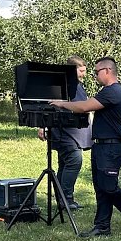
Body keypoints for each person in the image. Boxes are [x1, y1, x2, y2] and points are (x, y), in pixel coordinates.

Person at [50, 57, 121, 237]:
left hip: (112, 146)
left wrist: (61, 104)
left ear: (107, 71)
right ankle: (102, 226)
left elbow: (84, 107)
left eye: (97, 72)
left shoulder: (113, 91)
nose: (94, 75)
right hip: (100, 145)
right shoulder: (106, 91)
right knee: (100, 187)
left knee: (108, 186)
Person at [37, 56, 91, 210]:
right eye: (81, 71)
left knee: (64, 164)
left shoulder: (76, 85)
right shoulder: (65, 85)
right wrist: (42, 126)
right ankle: (66, 198)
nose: (83, 74)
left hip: (70, 131)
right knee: (74, 161)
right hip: (64, 132)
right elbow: (48, 105)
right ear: (72, 70)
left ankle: (62, 198)